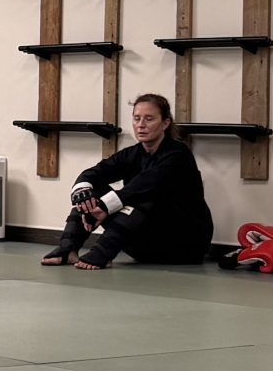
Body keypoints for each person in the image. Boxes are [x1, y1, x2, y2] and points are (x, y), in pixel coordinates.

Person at [43, 93, 214, 269]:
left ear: (165, 123)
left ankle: (103, 251)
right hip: (144, 244)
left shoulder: (178, 155)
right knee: (91, 192)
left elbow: (144, 186)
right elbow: (95, 173)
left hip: (183, 244)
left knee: (146, 198)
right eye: (137, 118)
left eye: (149, 119)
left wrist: (103, 207)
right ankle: (68, 248)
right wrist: (83, 195)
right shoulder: (132, 153)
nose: (141, 125)